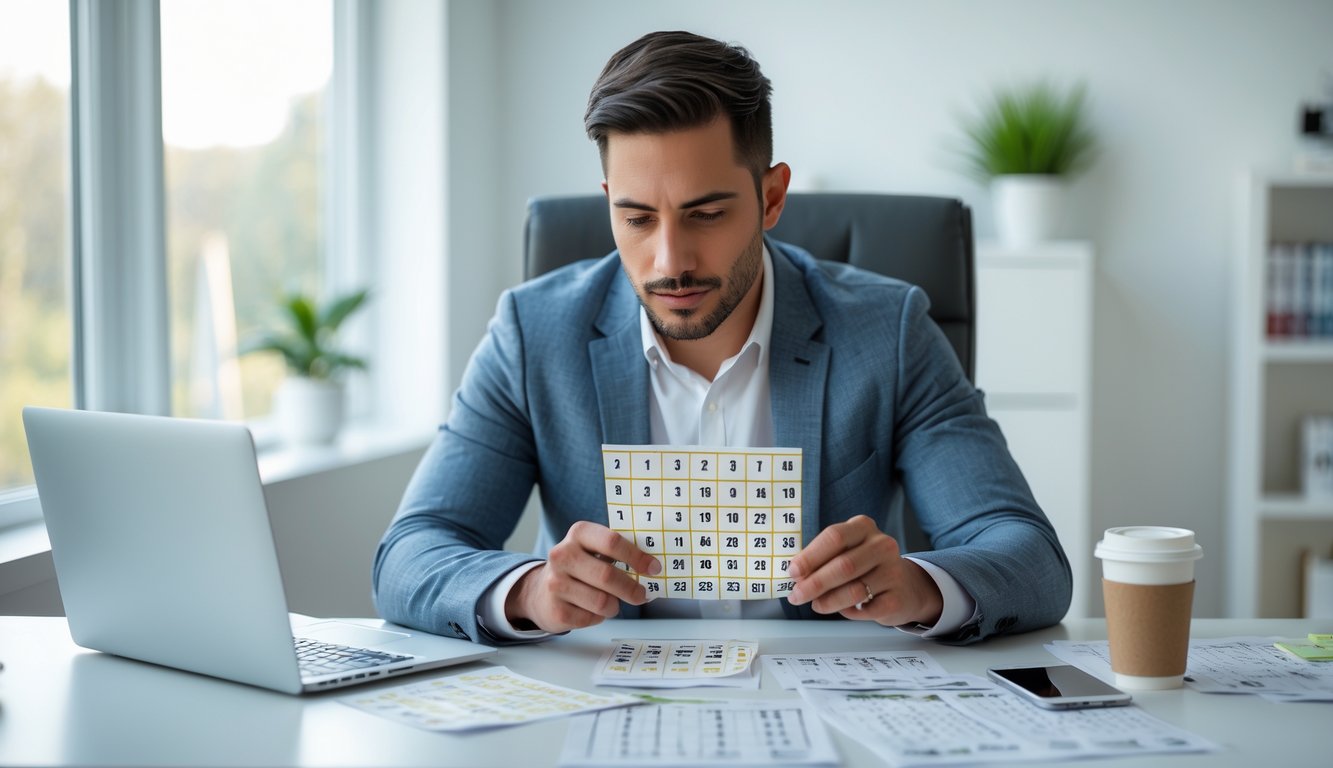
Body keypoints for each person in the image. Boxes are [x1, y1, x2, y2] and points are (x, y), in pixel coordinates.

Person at [372, 30, 1071, 646]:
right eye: (637, 217)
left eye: (705, 213)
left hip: (821, 704)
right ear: (608, 202)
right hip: (606, 700)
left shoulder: (887, 332)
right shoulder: (532, 333)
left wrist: (920, 586)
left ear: (770, 198)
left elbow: (1030, 559)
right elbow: (410, 555)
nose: (669, 259)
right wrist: (525, 593)